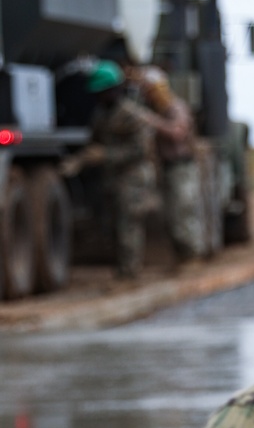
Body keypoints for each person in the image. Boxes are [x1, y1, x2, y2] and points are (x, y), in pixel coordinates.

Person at [62, 61, 160, 280]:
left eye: (103, 92)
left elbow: (141, 151)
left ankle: (130, 272)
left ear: (114, 90)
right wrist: (79, 161)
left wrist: (107, 155)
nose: (99, 97)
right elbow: (94, 144)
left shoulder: (131, 115)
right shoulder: (101, 115)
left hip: (133, 178)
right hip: (113, 179)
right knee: (113, 225)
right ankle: (123, 269)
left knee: (129, 224)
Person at [136, 67, 204, 261]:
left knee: (184, 211)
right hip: (168, 168)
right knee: (171, 215)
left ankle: (192, 255)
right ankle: (182, 255)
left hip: (182, 167)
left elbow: (177, 133)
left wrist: (152, 122)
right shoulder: (157, 111)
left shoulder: (176, 108)